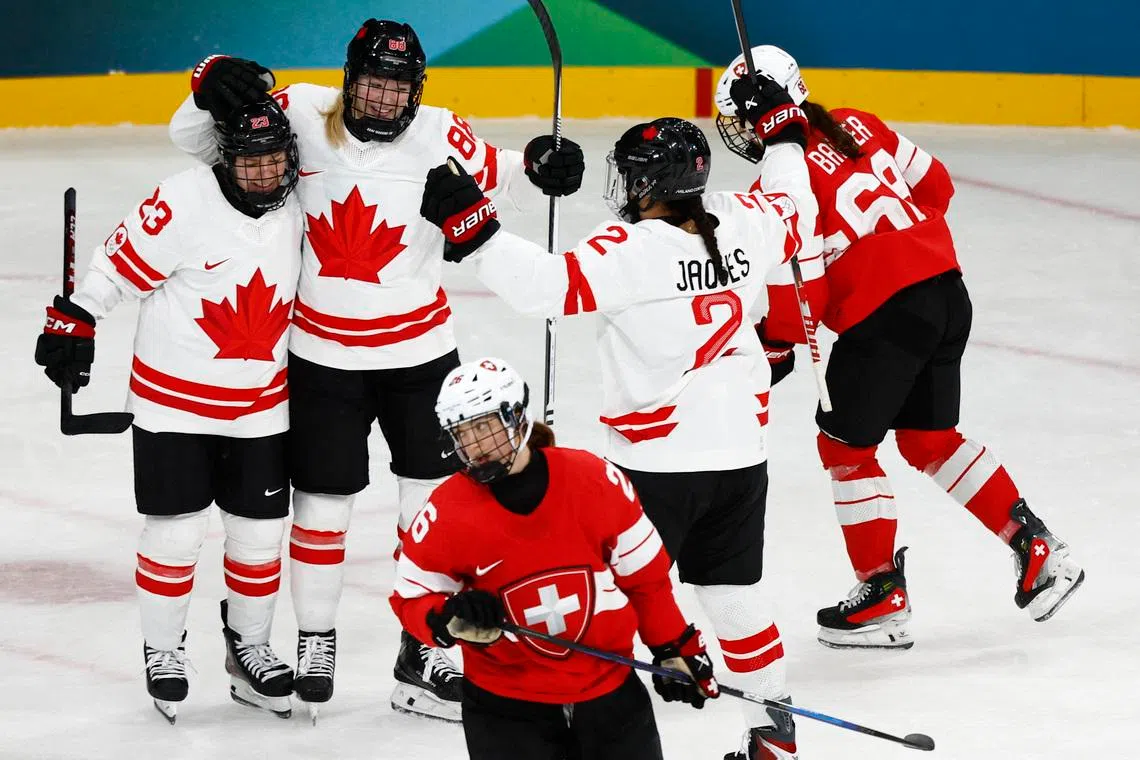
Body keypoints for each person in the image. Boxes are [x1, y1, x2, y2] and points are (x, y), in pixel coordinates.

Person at [167, 20, 585, 720]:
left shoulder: (441, 133)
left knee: (431, 511)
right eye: (372, 85)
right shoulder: (299, 112)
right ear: (347, 79)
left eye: (400, 89)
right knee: (322, 509)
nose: (386, 102)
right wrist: (204, 82)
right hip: (322, 356)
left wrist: (545, 162)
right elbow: (194, 138)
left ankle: (421, 654)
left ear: (416, 90)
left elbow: (508, 174)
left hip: (420, 358)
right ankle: (316, 638)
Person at [418, 79, 818, 759]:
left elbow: (546, 288)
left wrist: (476, 232)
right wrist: (781, 128)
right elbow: (795, 203)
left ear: (653, 182)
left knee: (607, 594)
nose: (625, 190)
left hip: (653, 466)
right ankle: (773, 732)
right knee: (732, 594)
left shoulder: (631, 250)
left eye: (633, 178)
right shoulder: (748, 218)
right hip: (740, 458)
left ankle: (577, 726)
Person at [713, 46, 1085, 650]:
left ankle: (882, 591)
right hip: (946, 291)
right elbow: (936, 187)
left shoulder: (777, 189)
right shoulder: (857, 120)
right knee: (930, 440)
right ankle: (1035, 547)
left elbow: (797, 306)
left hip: (885, 319)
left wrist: (773, 345)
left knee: (843, 447)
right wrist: (905, 248)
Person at [34, 99, 303, 722]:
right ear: (223, 160)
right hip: (172, 406)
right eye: (249, 162)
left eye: (274, 161)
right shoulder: (181, 201)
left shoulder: (299, 204)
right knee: (175, 534)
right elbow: (113, 268)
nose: (264, 175)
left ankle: (251, 649)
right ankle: (163, 651)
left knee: (260, 537)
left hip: (262, 406)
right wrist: (74, 321)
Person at [390, 357, 718, 760]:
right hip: (506, 708)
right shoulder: (445, 511)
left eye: (483, 427)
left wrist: (674, 645)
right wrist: (446, 617)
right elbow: (410, 597)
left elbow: (645, 578)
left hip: (610, 693)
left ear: (516, 419)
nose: (473, 446)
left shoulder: (593, 479)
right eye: (461, 432)